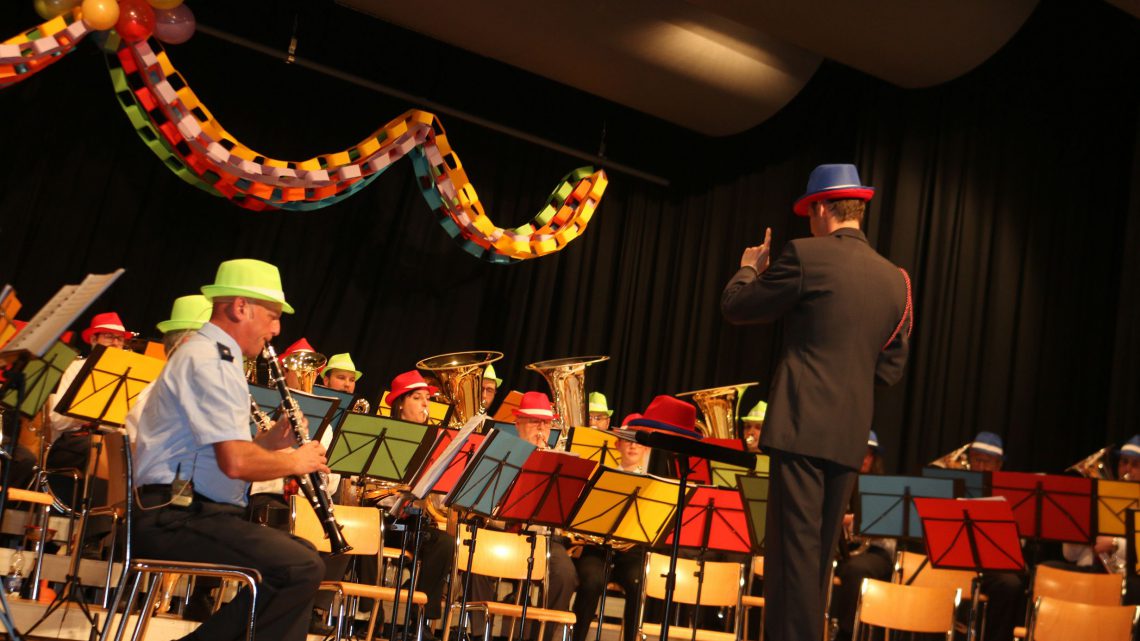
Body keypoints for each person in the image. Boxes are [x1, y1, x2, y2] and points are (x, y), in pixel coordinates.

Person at [720, 164, 913, 641]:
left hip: (801, 427)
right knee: (815, 563)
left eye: (810, 211)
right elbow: (890, 370)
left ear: (823, 207)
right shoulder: (897, 281)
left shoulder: (806, 255)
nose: (809, 220)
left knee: (791, 563)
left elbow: (737, 306)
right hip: (849, 439)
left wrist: (749, 267)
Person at [132, 258, 326, 641]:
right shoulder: (210, 360)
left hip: (188, 510)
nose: (277, 329)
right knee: (299, 567)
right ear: (240, 307)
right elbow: (235, 464)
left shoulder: (217, 357)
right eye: (272, 316)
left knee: (301, 557)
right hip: (174, 515)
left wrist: (269, 444)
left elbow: (220, 456)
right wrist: (294, 461)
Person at [570, 428, 650, 641]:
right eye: (628, 441)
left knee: (638, 581)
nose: (633, 446)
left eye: (638, 443)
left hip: (631, 551)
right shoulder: (602, 476)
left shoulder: (652, 485)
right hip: (598, 548)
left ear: (646, 449)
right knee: (592, 580)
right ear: (617, 445)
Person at [829, 431, 893, 641]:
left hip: (876, 552)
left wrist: (850, 521)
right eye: (858, 453)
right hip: (844, 550)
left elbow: (887, 530)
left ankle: (846, 633)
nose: (863, 459)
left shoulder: (884, 487)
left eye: (868, 455)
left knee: (856, 569)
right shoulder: (838, 484)